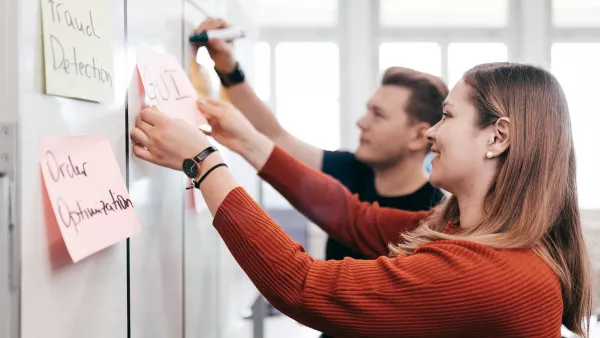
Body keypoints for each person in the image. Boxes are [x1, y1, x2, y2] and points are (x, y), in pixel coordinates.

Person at [130, 62, 593, 337]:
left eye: (447, 116)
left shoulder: (489, 271)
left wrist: (205, 163)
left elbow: (303, 286)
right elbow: (353, 217)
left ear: (498, 136)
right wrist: (249, 143)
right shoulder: (464, 231)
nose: (432, 131)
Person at [193, 18, 447, 264]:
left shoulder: (434, 218)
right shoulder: (350, 167)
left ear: (417, 135)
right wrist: (228, 69)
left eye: (378, 115)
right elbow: (276, 137)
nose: (361, 122)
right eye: (368, 110)